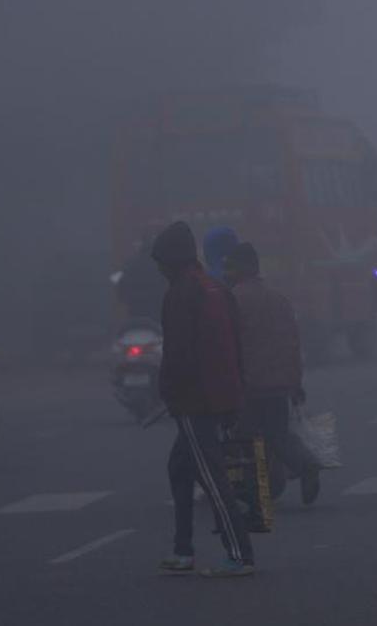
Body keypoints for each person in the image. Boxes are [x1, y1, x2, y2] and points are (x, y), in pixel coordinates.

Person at [152, 221, 255, 579]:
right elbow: (237, 345)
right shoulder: (216, 288)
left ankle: (239, 553)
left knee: (212, 478)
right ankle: (183, 550)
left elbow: (179, 355)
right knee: (179, 469)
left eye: (161, 263)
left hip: (195, 401)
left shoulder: (181, 294)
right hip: (222, 394)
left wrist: (169, 393)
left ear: (171, 260)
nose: (160, 270)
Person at [224, 242, 321, 515]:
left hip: (249, 384)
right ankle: (305, 465)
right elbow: (292, 344)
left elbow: (227, 345)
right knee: (278, 434)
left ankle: (258, 491)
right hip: (280, 383)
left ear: (240, 269)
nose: (225, 272)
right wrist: (295, 383)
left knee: (247, 436)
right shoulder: (278, 299)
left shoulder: (233, 300)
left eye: (229, 267)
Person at [116, 232, 167, 319]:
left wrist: (130, 300)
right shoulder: (166, 265)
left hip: (136, 313)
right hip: (159, 315)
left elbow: (120, 286)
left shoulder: (130, 263)